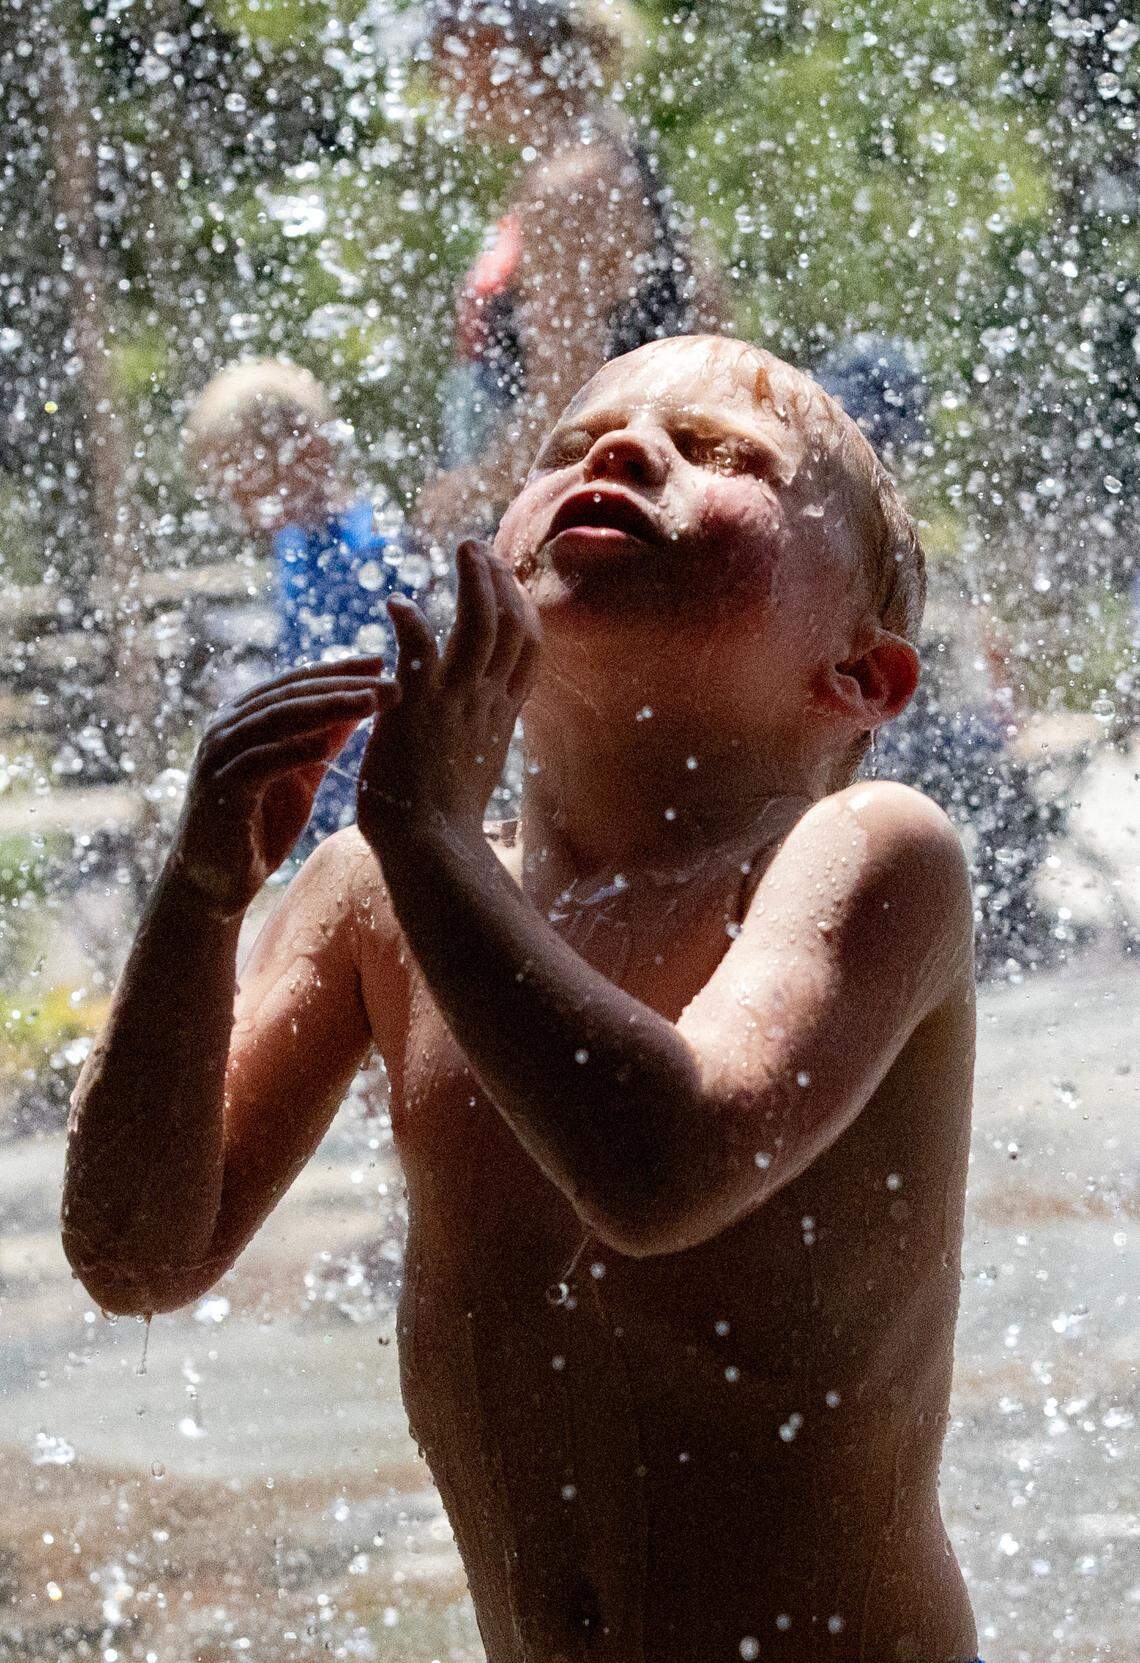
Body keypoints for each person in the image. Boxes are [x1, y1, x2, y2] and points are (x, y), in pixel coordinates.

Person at [64, 335, 982, 1661]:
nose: (622, 451)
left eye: (727, 457)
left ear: (858, 677)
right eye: (566, 447)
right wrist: (200, 897)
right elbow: (136, 1253)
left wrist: (430, 840)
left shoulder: (867, 856)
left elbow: (663, 1167)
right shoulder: (376, 896)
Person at [415, 0, 725, 545]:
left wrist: (465, 491)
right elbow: (713, 318)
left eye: (442, 34)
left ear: (489, 38)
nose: (434, 66)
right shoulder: (611, 151)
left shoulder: (572, 184)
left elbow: (564, 403)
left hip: (578, 510)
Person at [186, 359, 424, 836]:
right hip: (316, 807)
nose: (229, 496)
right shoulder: (292, 545)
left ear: (304, 450)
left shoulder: (372, 550)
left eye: (236, 471)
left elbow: (391, 698)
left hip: (377, 811)